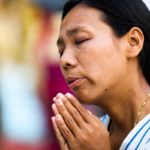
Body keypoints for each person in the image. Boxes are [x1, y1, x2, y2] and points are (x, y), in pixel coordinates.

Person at [51, 0, 150, 149]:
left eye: (80, 40)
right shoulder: (85, 137)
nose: (64, 60)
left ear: (133, 42)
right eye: (61, 51)